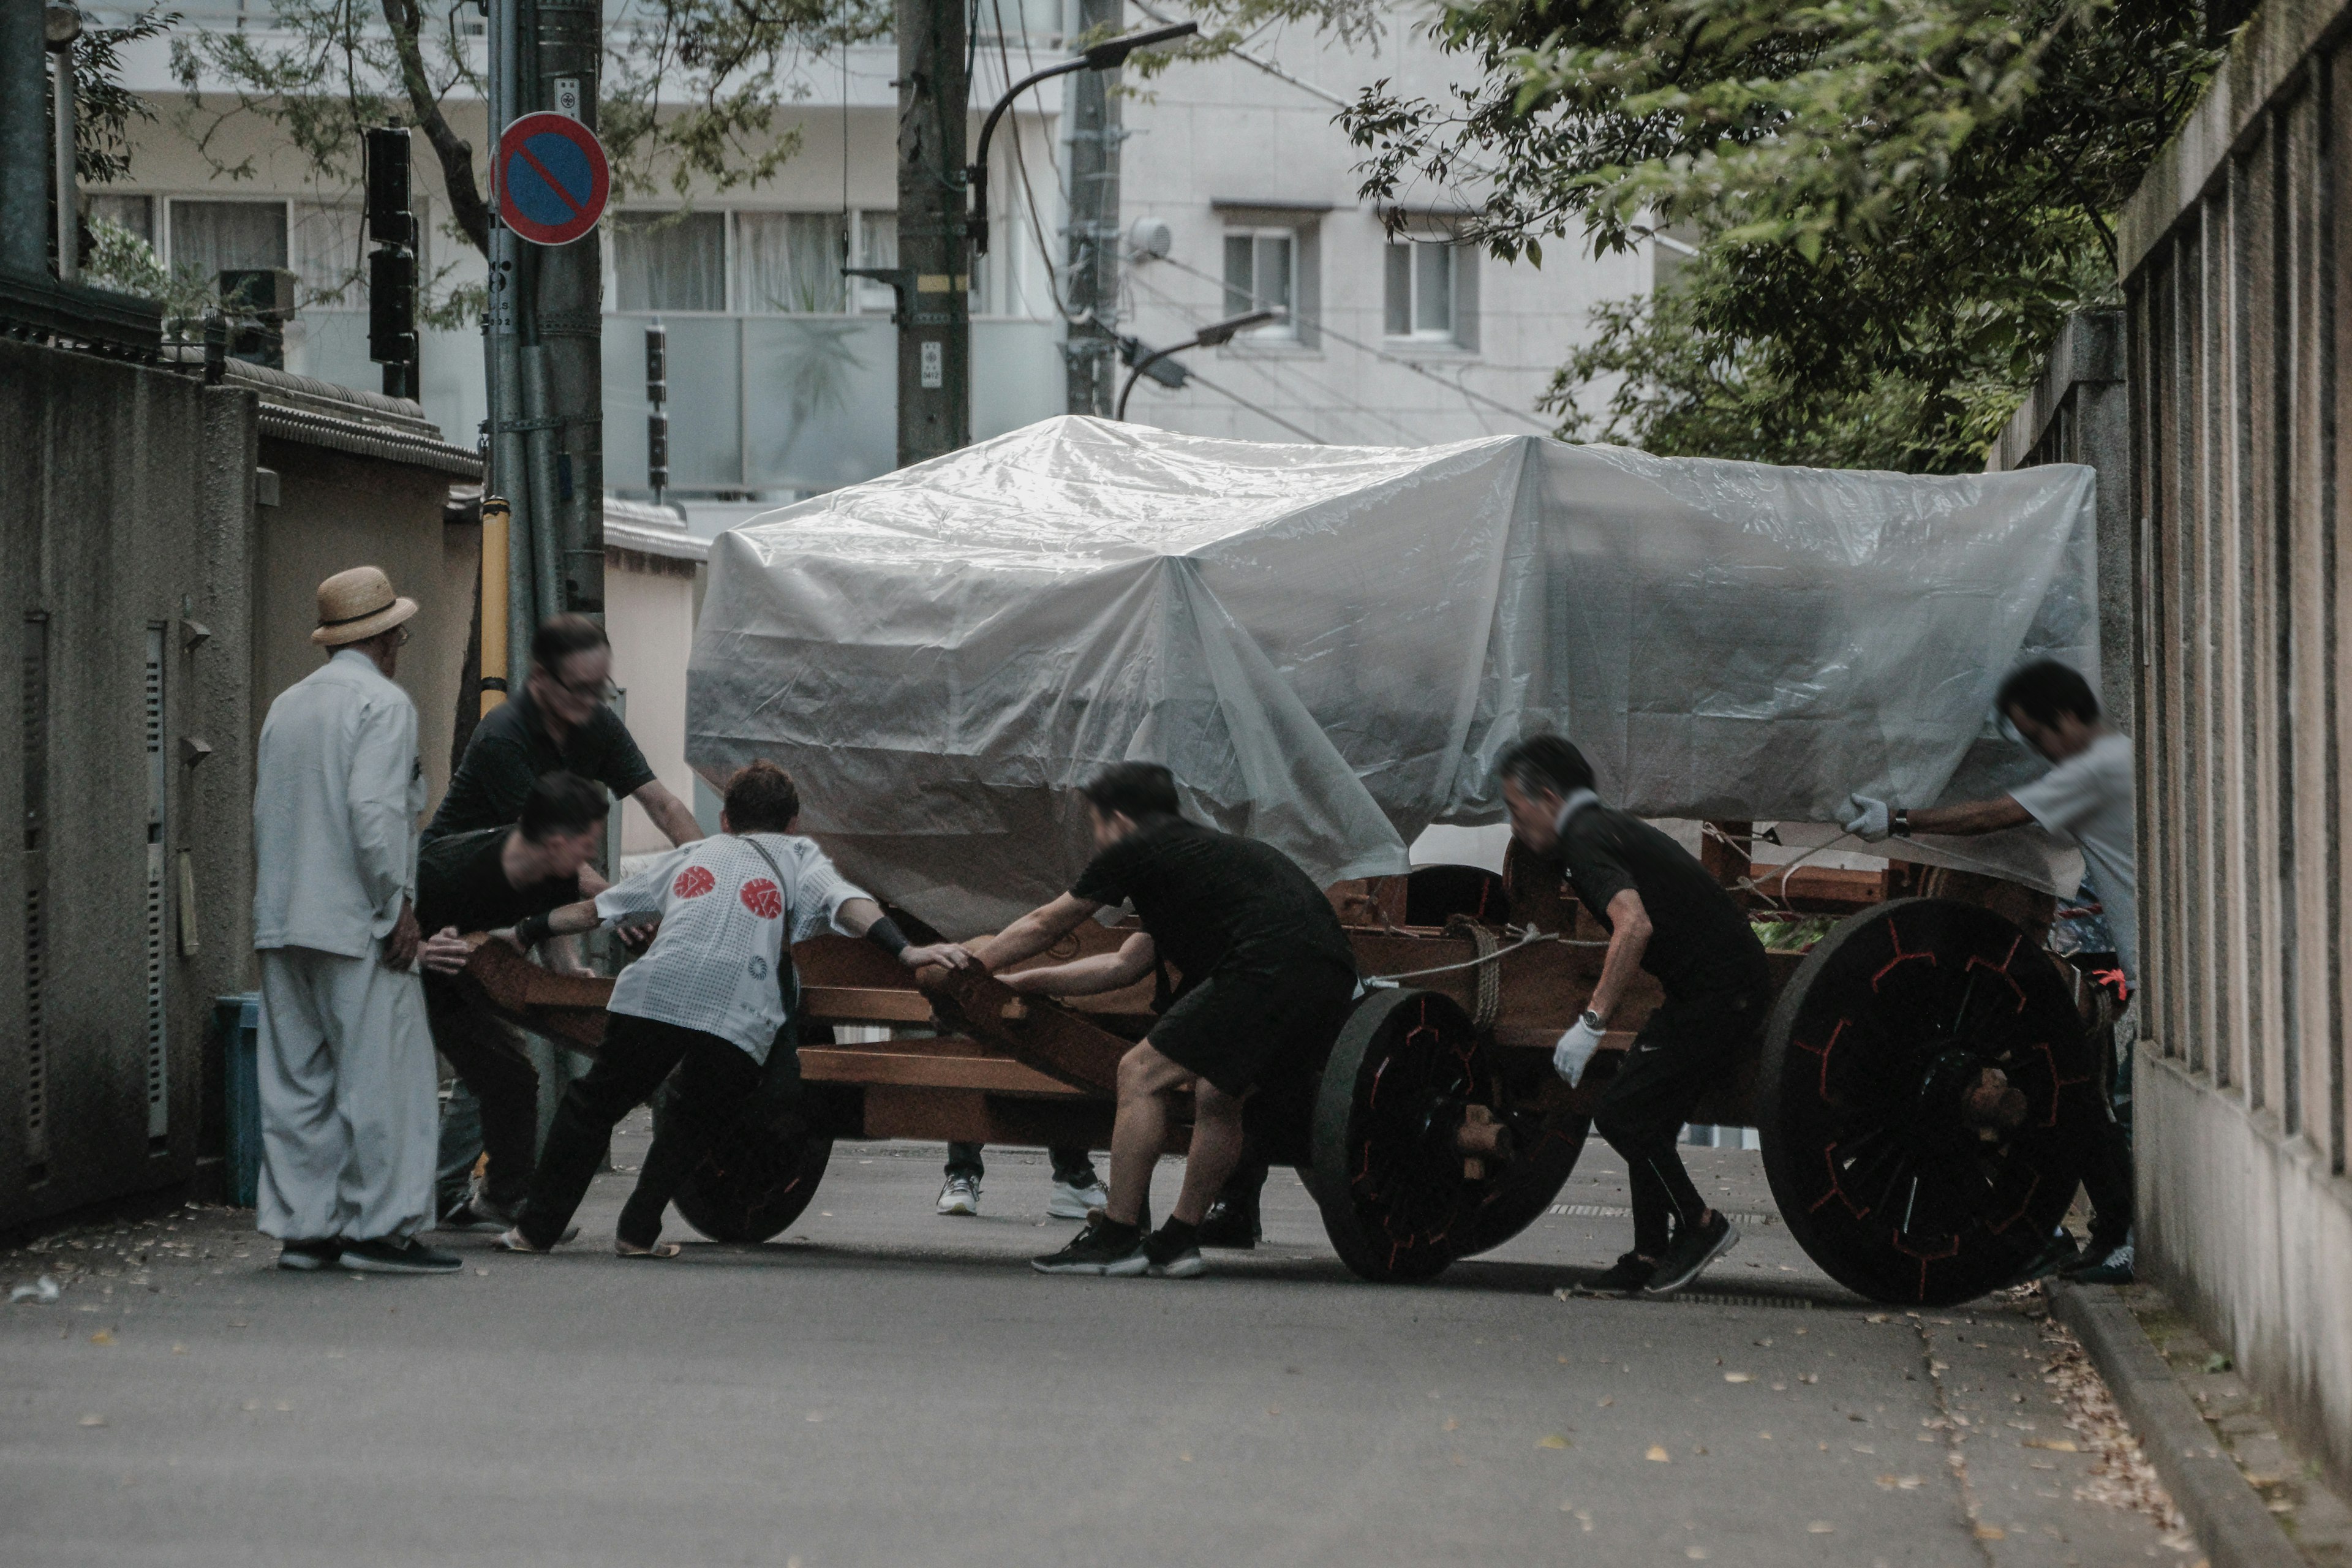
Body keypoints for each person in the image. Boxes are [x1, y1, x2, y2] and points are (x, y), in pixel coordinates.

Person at [494, 763, 973, 1257]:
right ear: (792, 823)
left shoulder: (692, 855)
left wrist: (525, 932)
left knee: (592, 1106)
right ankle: (636, 1231)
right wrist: (906, 952)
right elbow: (847, 902)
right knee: (694, 1117)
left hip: (658, 993)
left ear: (724, 819)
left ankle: (533, 1231)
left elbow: (598, 910)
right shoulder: (797, 854)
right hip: (738, 1009)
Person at [971, 763, 1359, 1280]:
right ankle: (1178, 1241)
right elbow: (1121, 966)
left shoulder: (1140, 847)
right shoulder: (1193, 862)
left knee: (1140, 1073)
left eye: (1098, 820)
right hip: (1328, 973)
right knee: (1219, 1095)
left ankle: (1117, 1235)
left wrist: (975, 970)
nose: (1097, 833)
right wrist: (1021, 985)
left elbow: (1047, 922)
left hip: (1272, 962)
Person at [1843, 658, 2137, 1284]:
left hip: (2124, 961)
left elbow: (1996, 814)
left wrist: (1898, 820)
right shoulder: (2114, 762)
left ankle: (2119, 1236)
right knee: (2082, 1097)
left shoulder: (2100, 767)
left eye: (2037, 736)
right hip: (2121, 957)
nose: (2037, 750)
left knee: (2085, 1099)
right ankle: (2096, 1233)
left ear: (2066, 718)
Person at [424, 614, 701, 1224]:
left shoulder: (593, 722)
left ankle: (460, 1195)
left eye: (601, 688)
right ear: (540, 680)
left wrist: (713, 871)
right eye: (580, 689)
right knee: (499, 1063)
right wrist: (614, 908)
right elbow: (556, 852)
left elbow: (662, 800)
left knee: (494, 1064)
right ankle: (487, 1196)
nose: (593, 703)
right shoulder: (505, 738)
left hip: (516, 909)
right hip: (452, 914)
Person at [1499, 734, 1765, 1298]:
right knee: (1645, 1109)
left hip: (1722, 990)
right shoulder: (1603, 827)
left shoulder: (1583, 839)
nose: (1515, 828)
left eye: (1517, 812)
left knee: (1623, 1114)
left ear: (1548, 798)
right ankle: (1649, 1254)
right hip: (1713, 984)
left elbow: (1635, 924)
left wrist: (1591, 1022)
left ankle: (1701, 1226)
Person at [251, 567, 456, 1275]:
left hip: (283, 919)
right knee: (385, 1078)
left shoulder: (287, 705)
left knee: (297, 1082)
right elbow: (374, 815)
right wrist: (396, 902)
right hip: (354, 919)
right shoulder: (385, 705)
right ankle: (381, 1229)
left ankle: (307, 1230)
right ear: (389, 638)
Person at [412, 772, 611, 1230]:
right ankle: (463, 1196)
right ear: (552, 840)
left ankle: (497, 1195)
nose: (589, 858)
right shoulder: (449, 872)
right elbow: (381, 925)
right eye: (584, 843)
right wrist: (422, 952)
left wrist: (570, 979)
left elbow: (550, 933)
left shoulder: (554, 869)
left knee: (509, 1076)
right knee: (501, 1074)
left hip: (466, 970)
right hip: (415, 974)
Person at [424, 613, 701, 847]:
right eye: (578, 687)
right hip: (457, 875)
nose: (588, 700)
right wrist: (609, 900)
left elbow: (664, 806)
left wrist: (710, 864)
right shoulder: (502, 737)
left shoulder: (599, 724)